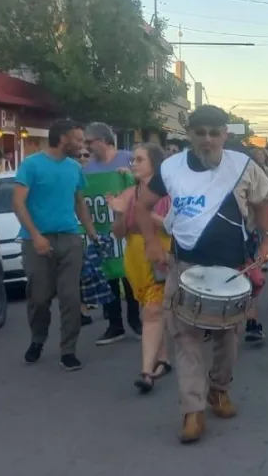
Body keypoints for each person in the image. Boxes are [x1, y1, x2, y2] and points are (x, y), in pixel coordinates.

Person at [136, 105, 268, 444]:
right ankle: (192, 410)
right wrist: (151, 243)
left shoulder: (242, 165)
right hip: (184, 266)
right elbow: (142, 205)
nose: (208, 140)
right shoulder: (171, 167)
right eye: (201, 133)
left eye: (215, 133)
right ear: (190, 135)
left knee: (228, 338)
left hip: (232, 270)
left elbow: (263, 203)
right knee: (185, 338)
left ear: (225, 135)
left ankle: (219, 389)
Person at [13, 119, 98, 371]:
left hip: (70, 239)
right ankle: (38, 339)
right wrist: (36, 236)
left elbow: (79, 202)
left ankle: (68, 351)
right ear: (62, 138)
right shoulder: (31, 165)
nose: (82, 145)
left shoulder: (74, 168)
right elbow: (17, 203)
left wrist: (91, 232)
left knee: (71, 298)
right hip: (37, 241)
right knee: (39, 298)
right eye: (78, 139)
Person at [107, 143, 173, 394]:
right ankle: (163, 359)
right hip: (135, 257)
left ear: (154, 163)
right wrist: (120, 214)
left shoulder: (169, 192)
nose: (133, 163)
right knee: (152, 310)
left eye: (139, 159)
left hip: (160, 251)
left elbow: (174, 226)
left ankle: (146, 372)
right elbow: (117, 234)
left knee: (152, 311)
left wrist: (144, 213)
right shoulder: (128, 193)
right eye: (133, 159)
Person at [82, 122, 141, 343]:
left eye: (90, 142)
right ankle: (115, 325)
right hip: (102, 230)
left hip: (128, 229)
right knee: (108, 279)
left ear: (103, 140)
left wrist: (131, 175)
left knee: (130, 276)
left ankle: (136, 321)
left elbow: (147, 184)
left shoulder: (129, 159)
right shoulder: (86, 169)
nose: (87, 147)